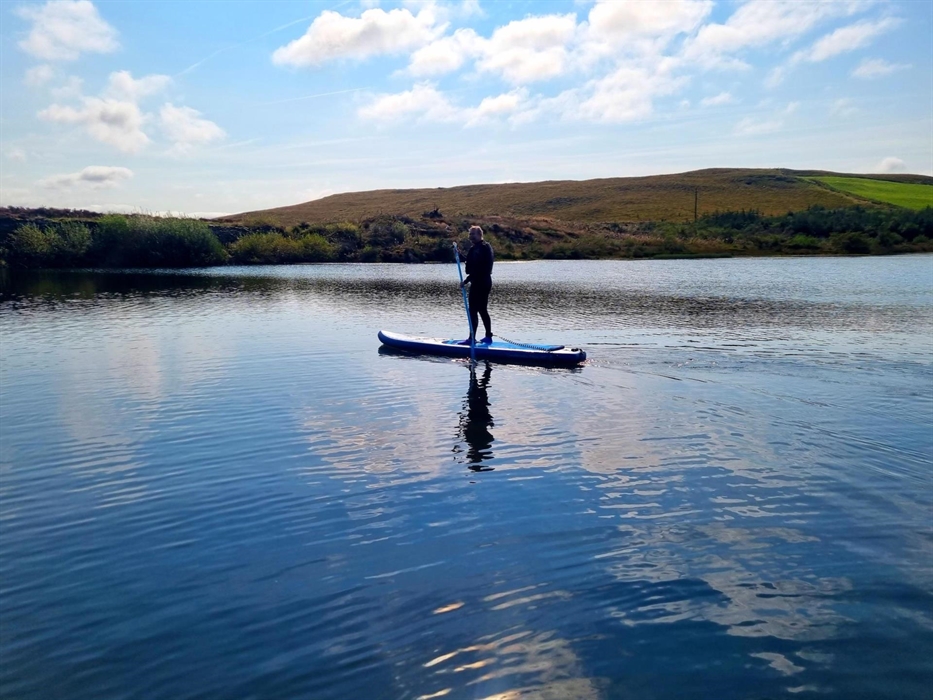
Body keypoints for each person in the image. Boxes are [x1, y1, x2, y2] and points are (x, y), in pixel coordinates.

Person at [459, 225, 494, 345]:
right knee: (480, 309)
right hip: (478, 281)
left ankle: (473, 338)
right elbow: (471, 266)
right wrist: (466, 280)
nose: (471, 237)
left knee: (475, 310)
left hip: (482, 282)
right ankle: (485, 336)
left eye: (473, 234)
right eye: (470, 234)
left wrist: (468, 280)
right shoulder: (474, 249)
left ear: (480, 235)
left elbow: (481, 268)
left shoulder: (484, 248)